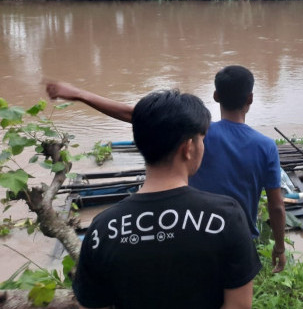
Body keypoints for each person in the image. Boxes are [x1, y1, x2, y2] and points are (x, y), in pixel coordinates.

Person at [46, 65, 287, 273]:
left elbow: (133, 114)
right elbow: (276, 206)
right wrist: (279, 246)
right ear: (250, 99)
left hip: (189, 232)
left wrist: (79, 94)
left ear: (215, 96)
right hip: (237, 238)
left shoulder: (196, 135)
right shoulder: (265, 147)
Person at [73, 89, 261, 309]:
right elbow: (238, 306)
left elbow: (96, 305)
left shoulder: (101, 229)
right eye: (202, 139)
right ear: (188, 148)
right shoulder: (226, 217)